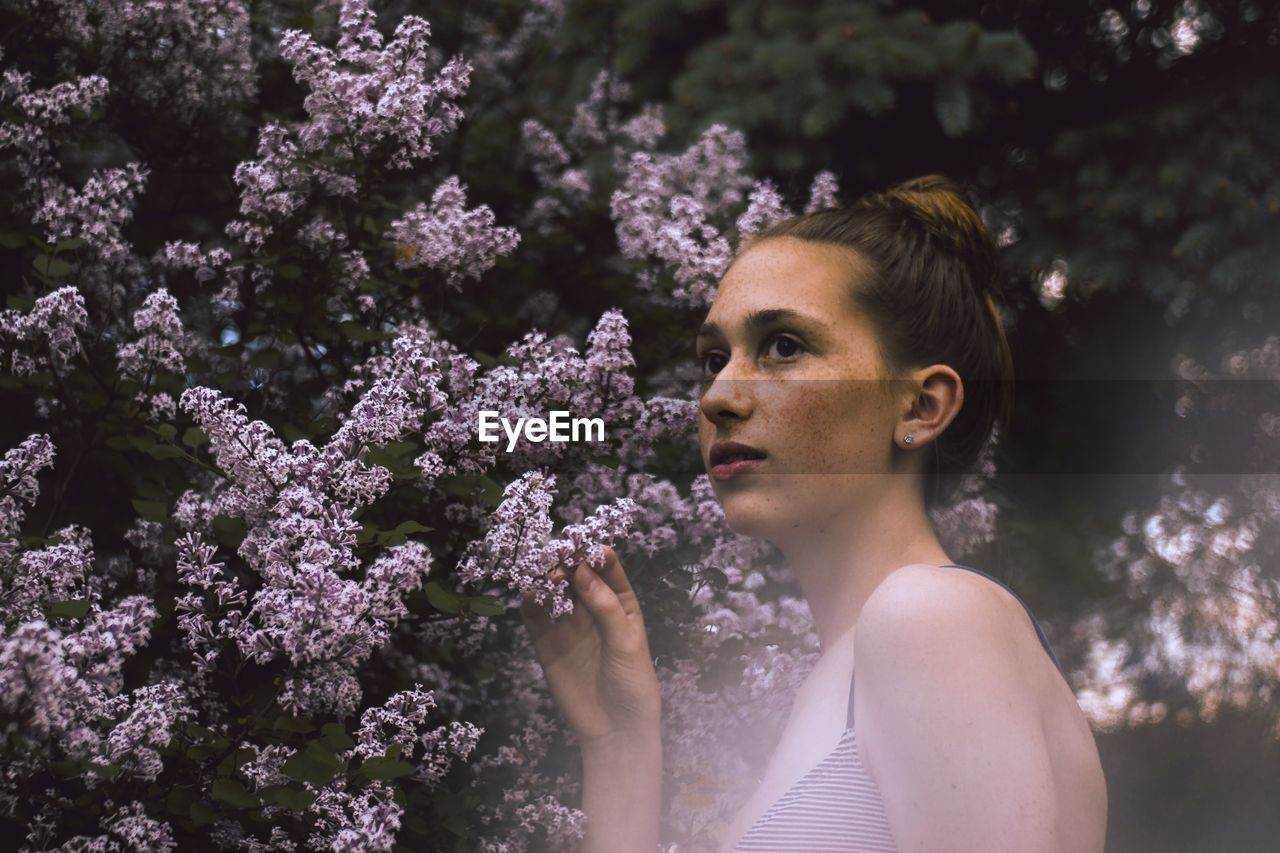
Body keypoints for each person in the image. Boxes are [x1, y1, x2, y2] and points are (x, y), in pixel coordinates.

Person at [520, 174, 1108, 852]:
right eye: (715, 358)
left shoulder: (932, 617)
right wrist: (618, 740)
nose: (717, 396)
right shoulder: (842, 680)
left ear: (920, 407)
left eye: (784, 346)